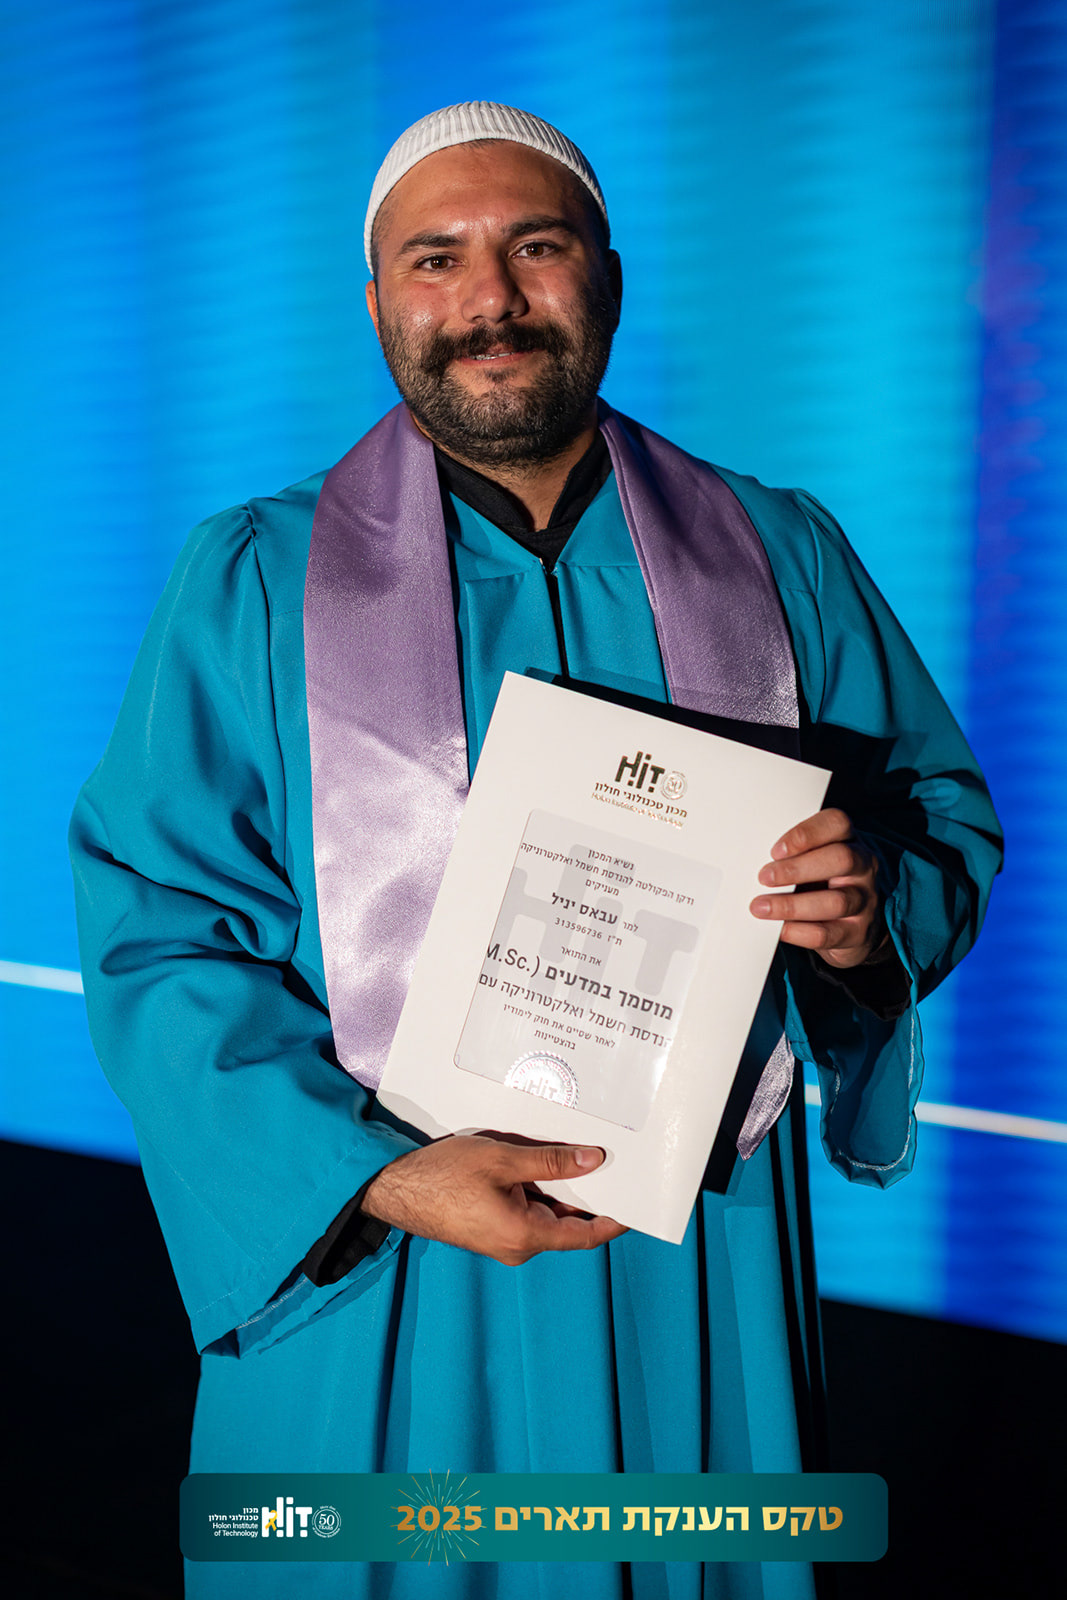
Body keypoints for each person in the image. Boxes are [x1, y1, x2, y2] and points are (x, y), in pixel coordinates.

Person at [70, 103, 1002, 1599]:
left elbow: (934, 818)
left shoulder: (780, 554)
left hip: (694, 1254)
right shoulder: (255, 579)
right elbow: (159, 927)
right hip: (389, 1264)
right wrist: (373, 1180)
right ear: (379, 303)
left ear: (607, 279)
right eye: (435, 259)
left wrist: (870, 903)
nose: (489, 299)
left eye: (537, 246)